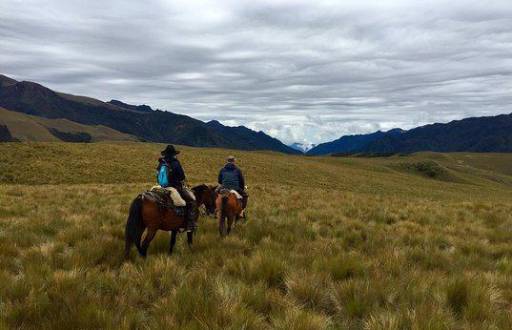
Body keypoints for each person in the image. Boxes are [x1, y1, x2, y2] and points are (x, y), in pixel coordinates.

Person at [157, 145, 198, 232]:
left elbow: (157, 174)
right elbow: (181, 177)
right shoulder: (175, 162)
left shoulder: (161, 162)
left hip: (161, 186)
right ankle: (190, 224)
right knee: (191, 201)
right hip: (174, 187)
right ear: (173, 154)